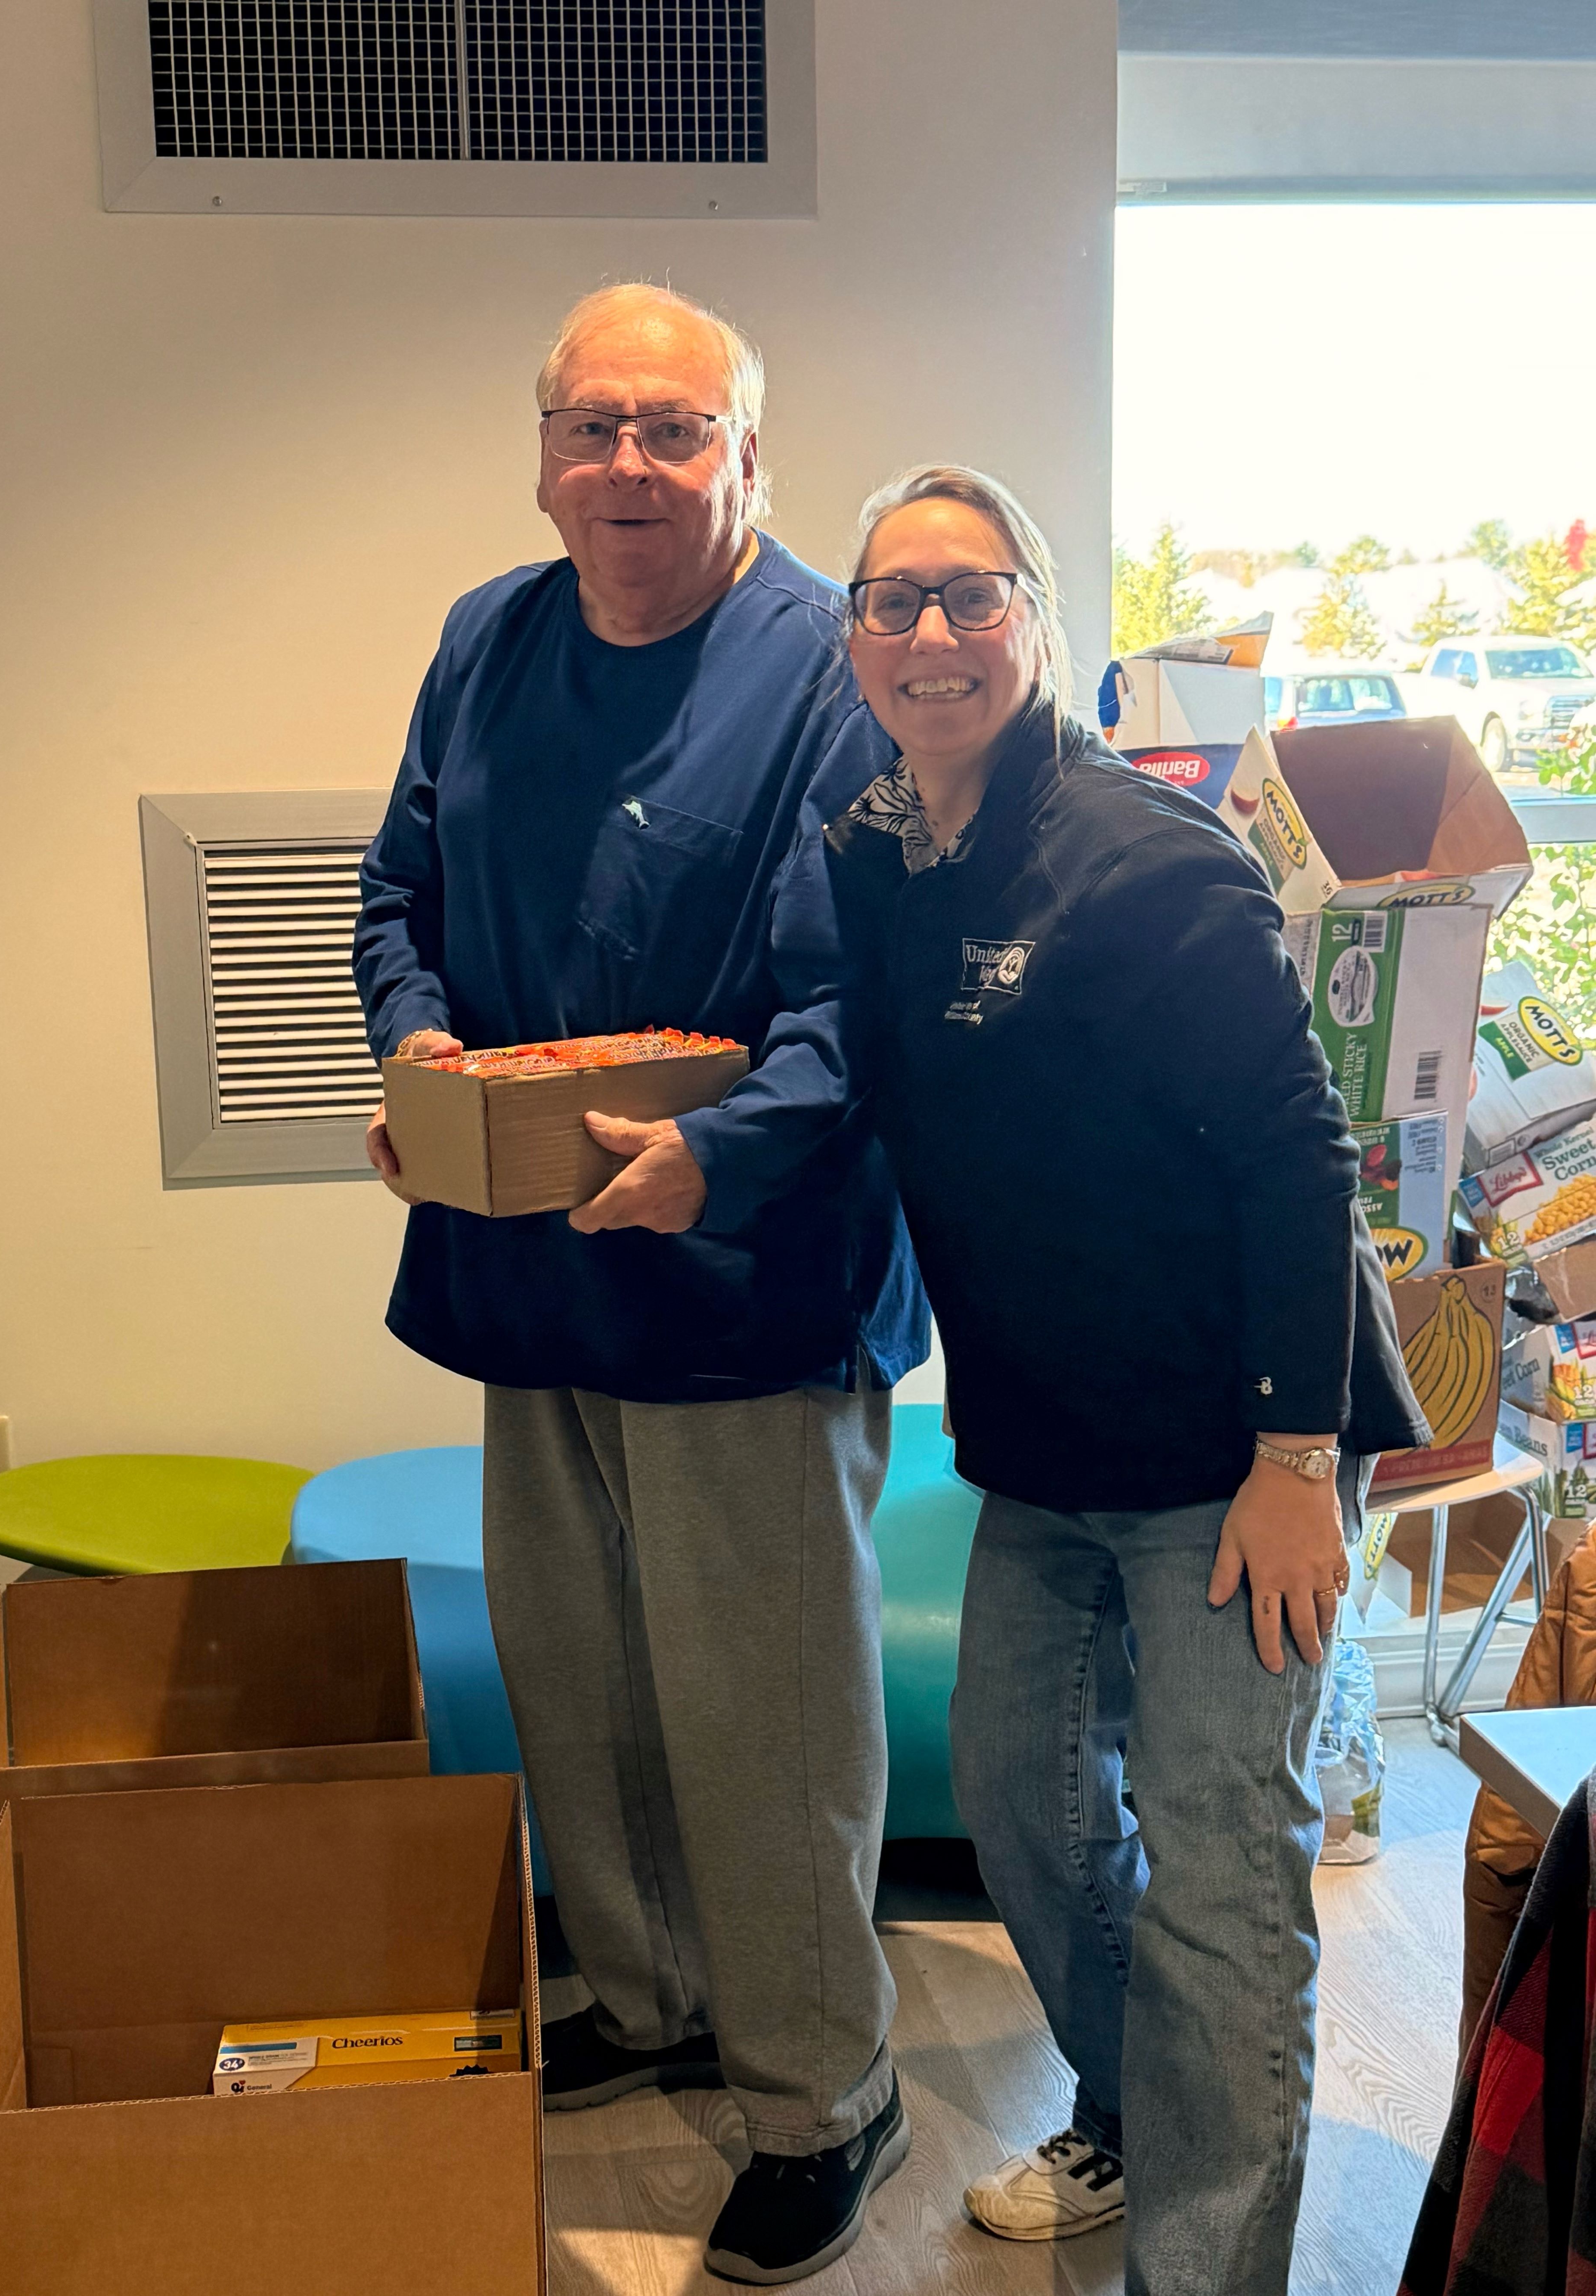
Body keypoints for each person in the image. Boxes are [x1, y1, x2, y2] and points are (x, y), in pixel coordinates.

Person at [353, 285, 927, 2287]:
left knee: (760, 1709)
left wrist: (719, 1150)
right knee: (578, 1664)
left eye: (674, 431)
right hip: (528, 1260)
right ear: (542, 457)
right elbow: (397, 893)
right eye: (595, 428)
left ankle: (820, 2088)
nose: (628, 466)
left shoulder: (831, 676)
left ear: (750, 460)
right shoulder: (485, 640)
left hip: (743, 1277)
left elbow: (876, 991)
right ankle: (647, 1983)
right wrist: (420, 1062)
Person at [820, 464, 1426, 2294]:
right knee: (1014, 1801)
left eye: (972, 594)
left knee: (1226, 1872)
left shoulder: (1152, 859)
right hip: (1046, 1449)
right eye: (894, 598)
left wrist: (1294, 1454)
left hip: (1249, 1444)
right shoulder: (869, 852)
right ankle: (1137, 2107)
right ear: (853, 637)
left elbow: (1295, 1158)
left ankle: (1204, 2263)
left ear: (1039, 621)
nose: (932, 634)